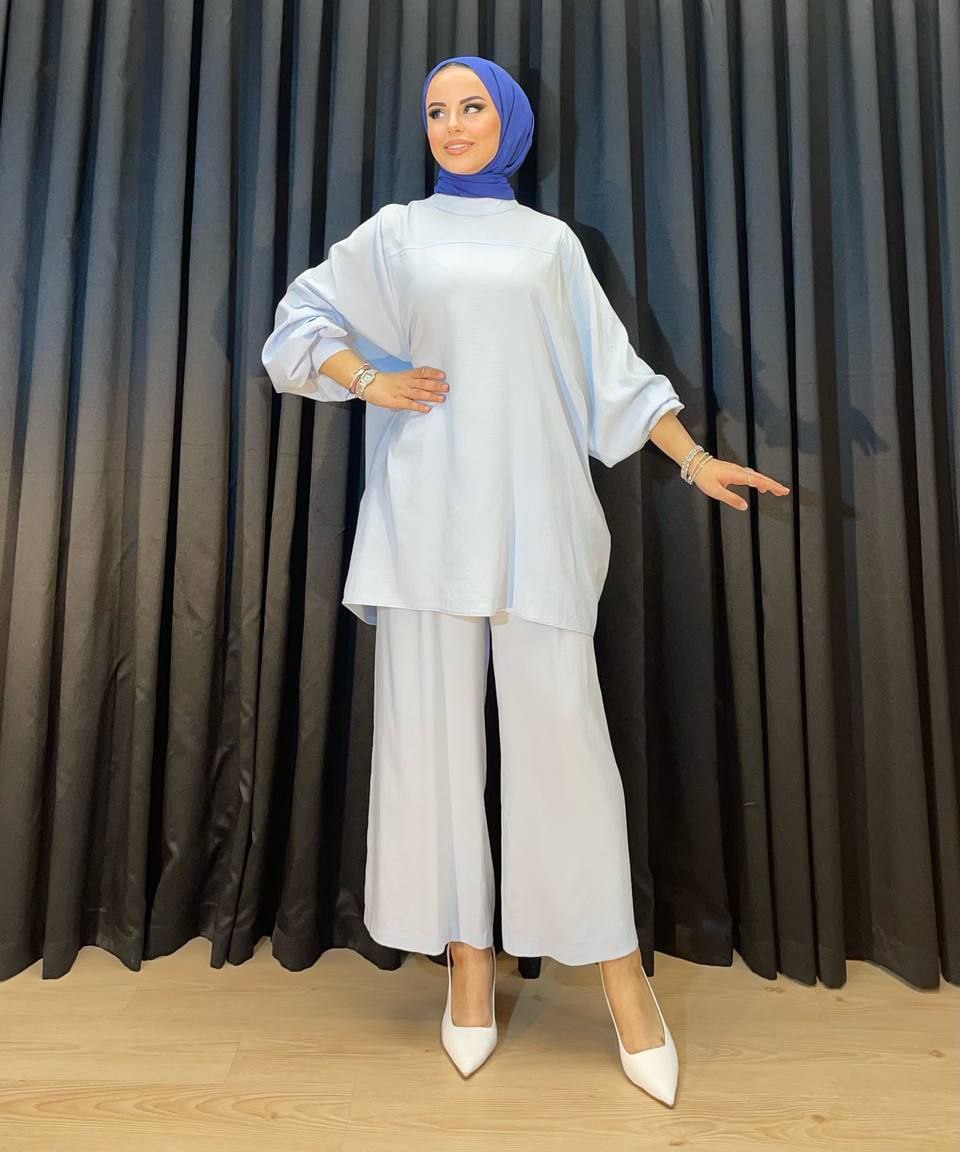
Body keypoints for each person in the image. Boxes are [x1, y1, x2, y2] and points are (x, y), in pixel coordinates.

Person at [261, 55, 791, 1101]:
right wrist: (368, 379)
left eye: (472, 107)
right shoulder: (396, 234)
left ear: (508, 122)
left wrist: (694, 459)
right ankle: (468, 966)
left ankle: (624, 981)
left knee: (567, 750)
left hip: (534, 526)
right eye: (436, 110)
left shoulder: (550, 245)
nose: (452, 124)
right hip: (424, 525)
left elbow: (614, 377)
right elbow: (297, 324)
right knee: (432, 752)